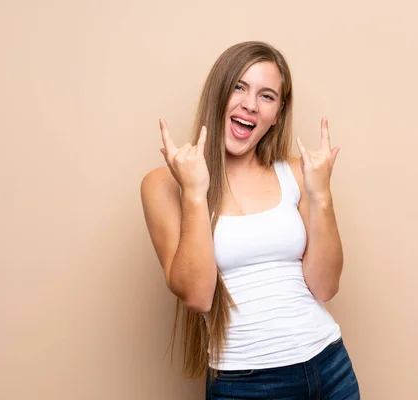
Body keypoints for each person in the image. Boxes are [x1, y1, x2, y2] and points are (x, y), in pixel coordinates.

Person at [140, 41, 360, 399]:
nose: (250, 104)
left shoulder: (296, 174)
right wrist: (195, 193)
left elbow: (325, 287)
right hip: (245, 385)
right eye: (239, 87)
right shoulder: (164, 185)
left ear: (278, 112)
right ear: (218, 93)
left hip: (329, 368)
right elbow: (197, 296)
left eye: (267, 96)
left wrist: (321, 195)